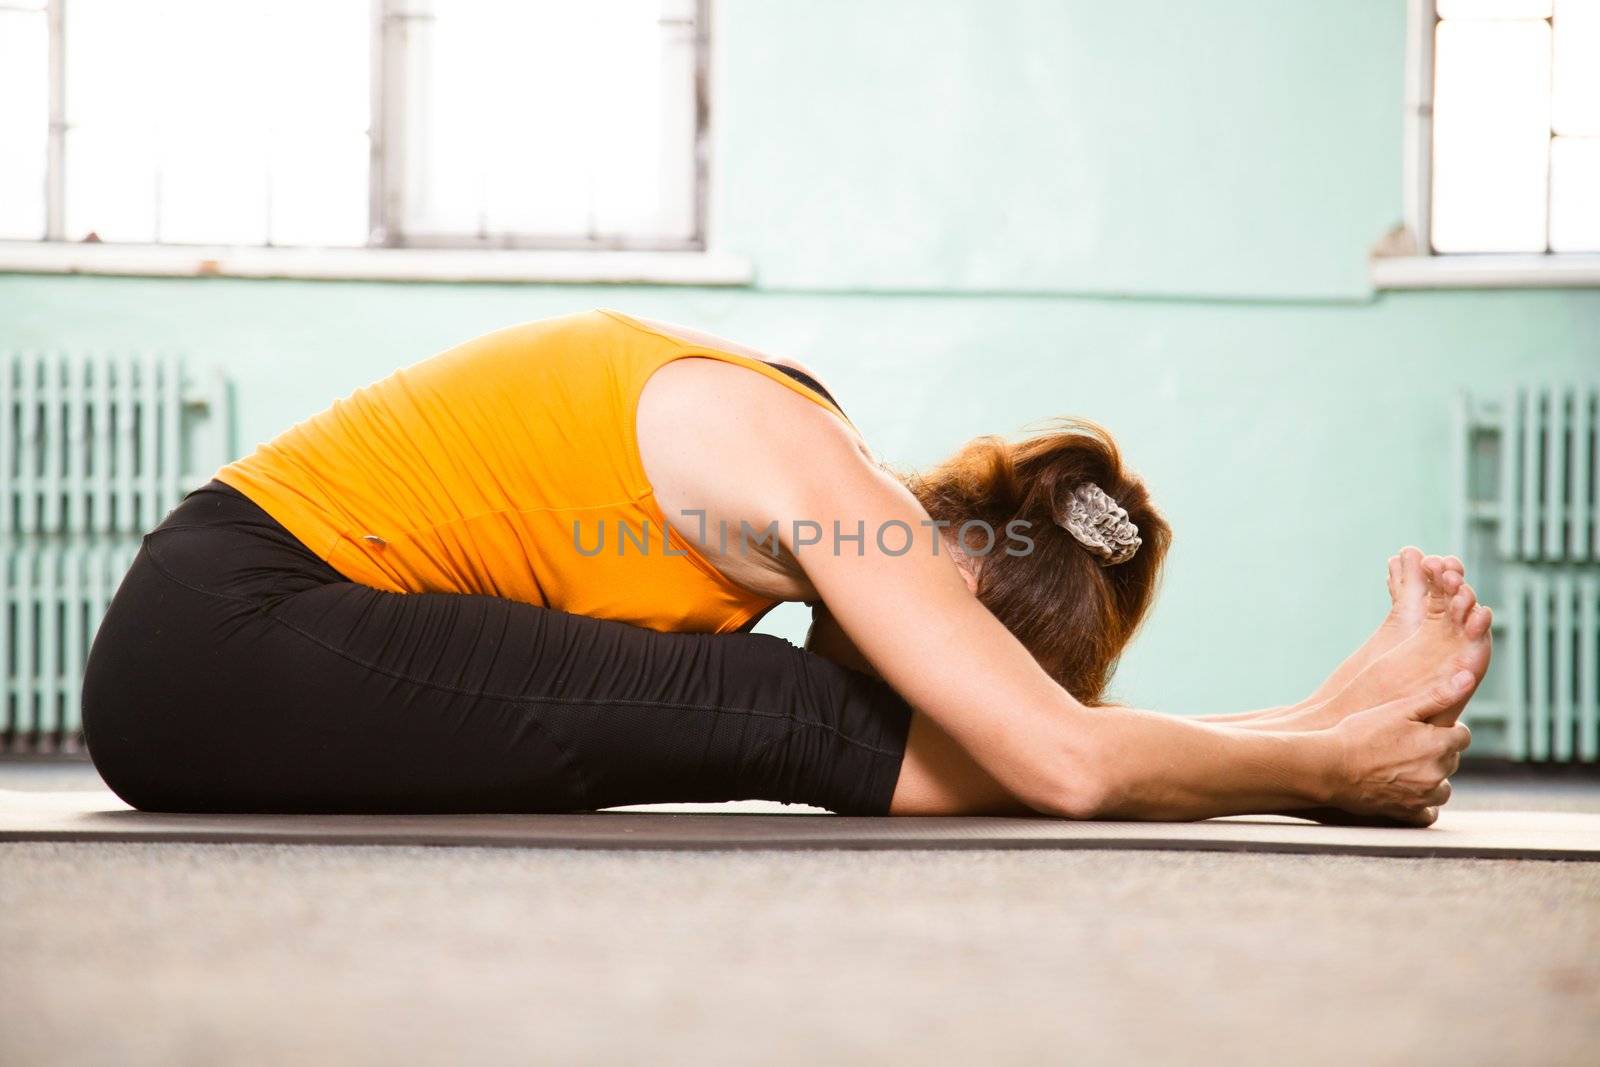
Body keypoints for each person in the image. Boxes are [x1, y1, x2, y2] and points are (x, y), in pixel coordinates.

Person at [80, 309, 1485, 824]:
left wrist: (1315, 715)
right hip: (220, 637)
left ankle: (1309, 712)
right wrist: (1323, 773)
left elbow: (1036, 740)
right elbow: (1060, 764)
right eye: (971, 651)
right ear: (962, 568)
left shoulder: (818, 492)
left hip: (260, 642)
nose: (949, 683)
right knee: (785, 712)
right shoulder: (829, 490)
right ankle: (1308, 732)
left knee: (795, 712)